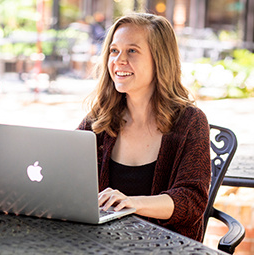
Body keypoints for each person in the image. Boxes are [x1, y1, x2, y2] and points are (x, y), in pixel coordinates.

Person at [77, 13, 211, 242]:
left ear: (160, 59)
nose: (119, 60)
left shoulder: (191, 122)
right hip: (103, 244)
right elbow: (67, 176)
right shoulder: (99, 120)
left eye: (132, 51)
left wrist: (132, 203)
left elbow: (191, 201)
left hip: (164, 246)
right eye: (114, 50)